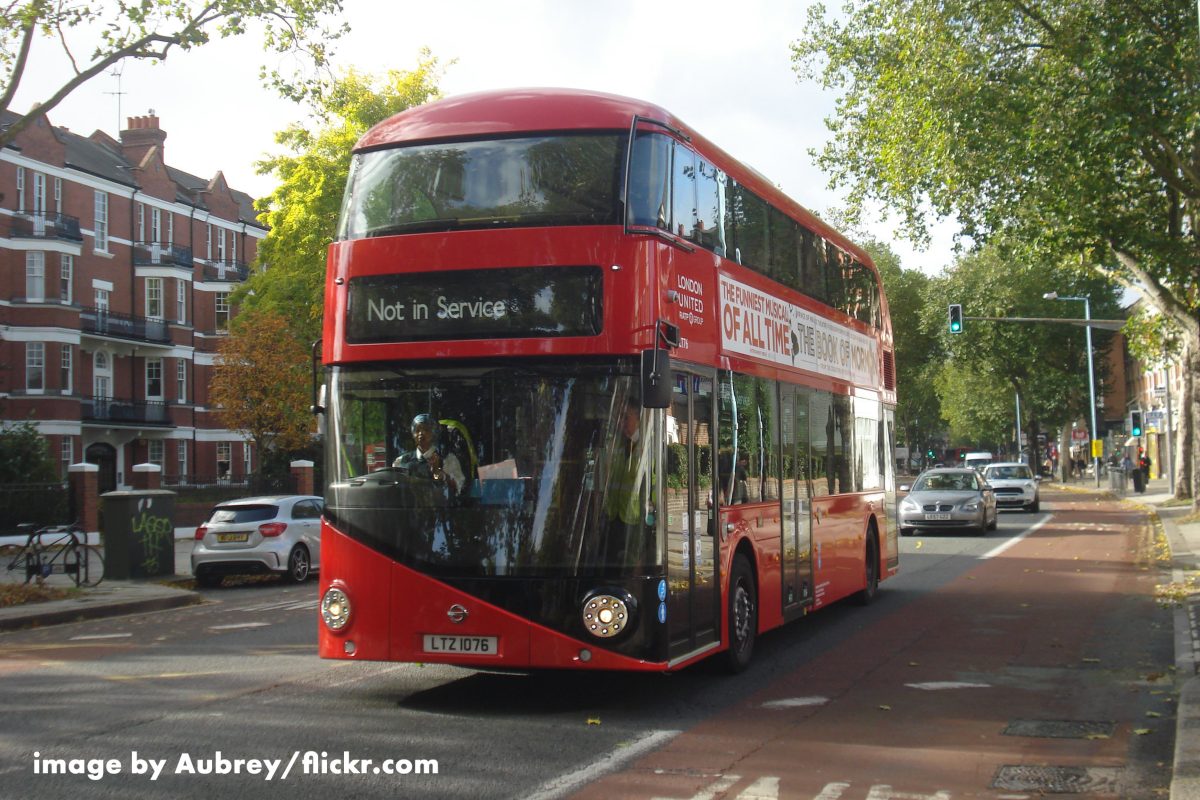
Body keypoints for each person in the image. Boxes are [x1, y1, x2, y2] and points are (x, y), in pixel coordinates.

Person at [603, 403, 654, 568]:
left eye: (626, 417)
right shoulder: (617, 445)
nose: (621, 422)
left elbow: (653, 488)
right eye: (620, 418)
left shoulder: (649, 446)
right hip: (613, 519)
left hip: (635, 522)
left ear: (638, 419)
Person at [393, 413, 466, 495]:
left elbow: (458, 489)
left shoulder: (448, 459)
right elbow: (395, 491)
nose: (421, 433)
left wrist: (439, 474)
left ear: (434, 433)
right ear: (413, 435)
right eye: (417, 430)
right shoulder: (401, 461)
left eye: (426, 430)